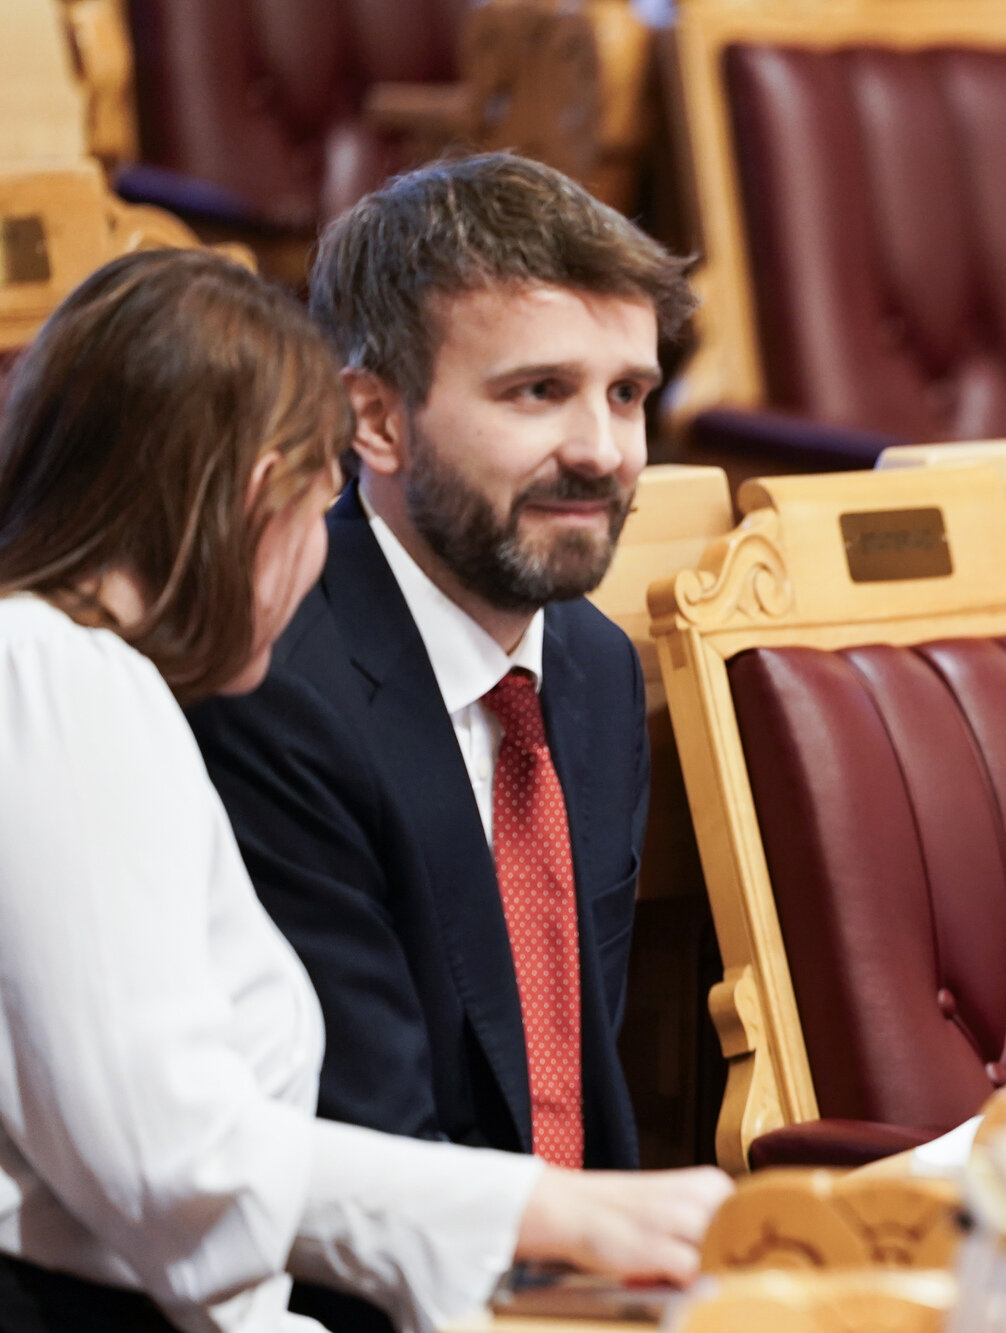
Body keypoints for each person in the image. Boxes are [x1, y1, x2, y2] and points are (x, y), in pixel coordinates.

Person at [0, 248, 730, 1332]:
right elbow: (174, 1166)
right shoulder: (52, 670)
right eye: (318, 505)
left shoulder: (91, 679)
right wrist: (549, 1213)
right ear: (260, 498)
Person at [180, 154, 680, 1330]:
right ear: (376, 420)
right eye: (537, 392)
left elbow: (567, 1082)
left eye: (626, 394)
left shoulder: (597, 671)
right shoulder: (274, 686)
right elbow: (360, 1155)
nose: (603, 451)